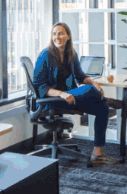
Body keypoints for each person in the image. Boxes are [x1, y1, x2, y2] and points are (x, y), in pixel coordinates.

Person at [33, 22, 120, 166]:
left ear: (68, 36)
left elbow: (80, 76)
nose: (57, 37)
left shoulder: (71, 54)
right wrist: (61, 94)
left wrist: (94, 82)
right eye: (54, 34)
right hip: (51, 100)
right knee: (90, 91)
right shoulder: (45, 55)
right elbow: (39, 86)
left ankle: (97, 154)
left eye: (61, 33)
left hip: (69, 97)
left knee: (103, 108)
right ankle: (106, 99)